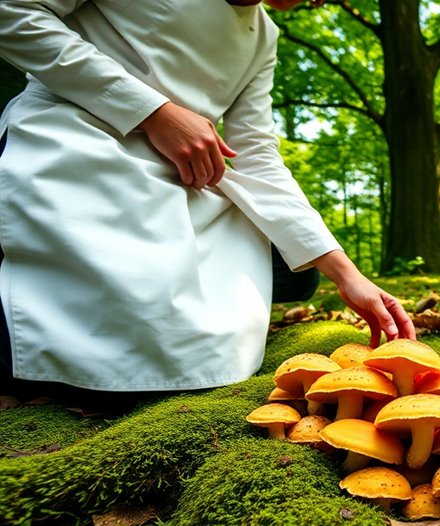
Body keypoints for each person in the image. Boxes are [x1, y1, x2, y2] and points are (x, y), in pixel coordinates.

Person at [0, 0, 415, 393]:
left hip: (182, 185)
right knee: (104, 323)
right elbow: (13, 12)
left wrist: (348, 275)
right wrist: (152, 112)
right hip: (78, 147)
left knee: (298, 273)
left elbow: (258, 159)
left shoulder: (262, 39)